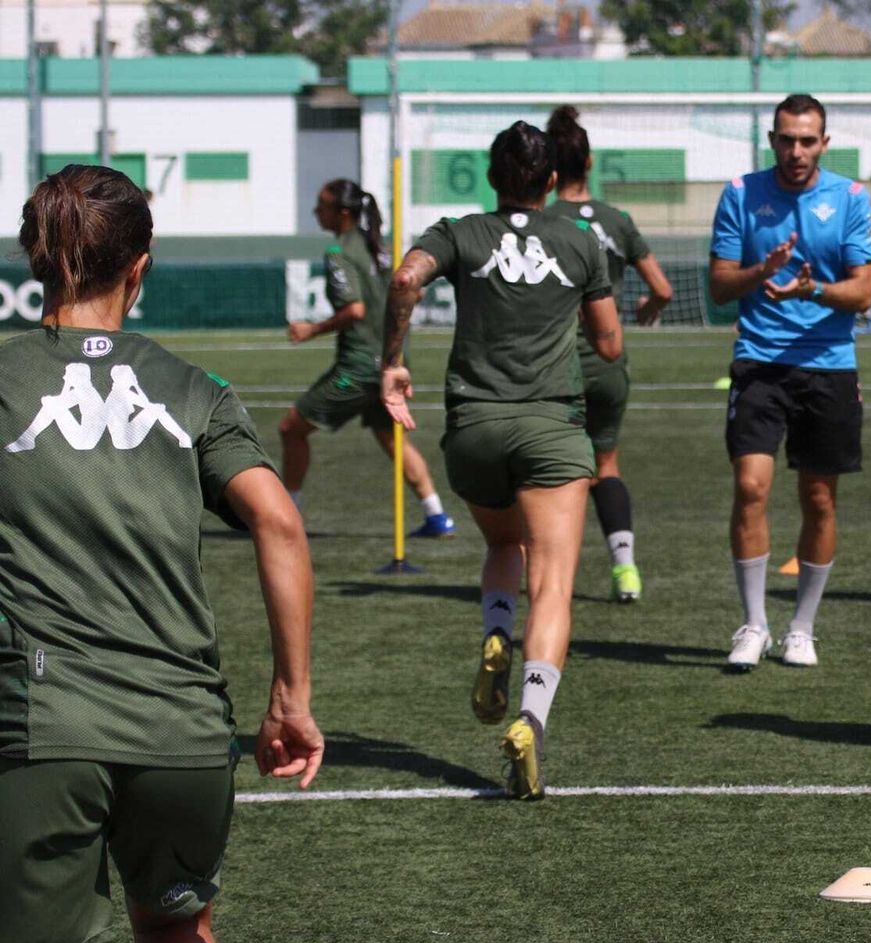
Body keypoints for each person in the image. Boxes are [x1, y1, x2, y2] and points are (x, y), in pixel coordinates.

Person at [0, 164, 323, 943]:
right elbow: (279, 523)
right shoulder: (192, 387)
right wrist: (290, 697)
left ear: (33, 258)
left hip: (43, 725)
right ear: (140, 266)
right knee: (176, 931)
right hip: (183, 725)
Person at [380, 121, 621, 801]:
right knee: (552, 584)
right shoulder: (580, 240)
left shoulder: (459, 233)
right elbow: (608, 342)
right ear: (553, 180)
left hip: (475, 429)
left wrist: (393, 362)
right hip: (551, 427)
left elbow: (405, 278)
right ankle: (530, 720)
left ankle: (495, 632)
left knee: (500, 545)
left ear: (491, 177)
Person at [708, 93, 871, 671]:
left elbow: (863, 292)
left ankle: (801, 628)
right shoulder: (740, 193)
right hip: (759, 361)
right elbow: (719, 285)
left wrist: (811, 290)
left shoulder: (851, 198)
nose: (796, 151)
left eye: (808, 140)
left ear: (824, 143)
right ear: (772, 141)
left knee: (819, 499)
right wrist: (763, 270)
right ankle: (754, 624)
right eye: (787, 139)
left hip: (829, 365)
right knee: (750, 486)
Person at [544, 105, 674, 603]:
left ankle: (552, 578)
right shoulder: (617, 220)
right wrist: (646, 308)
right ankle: (625, 570)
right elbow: (662, 288)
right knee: (606, 464)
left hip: (556, 366)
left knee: (551, 473)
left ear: (549, 169)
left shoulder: (542, 221)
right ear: (590, 162)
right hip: (608, 363)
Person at [281, 178, 456, 537]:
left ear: (342, 212)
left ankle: (287, 513)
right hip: (394, 361)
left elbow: (355, 309)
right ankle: (436, 515)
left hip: (361, 367)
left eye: (321, 206)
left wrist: (311, 329)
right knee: (391, 436)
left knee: (291, 429)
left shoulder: (340, 252)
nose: (316, 212)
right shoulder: (379, 247)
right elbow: (414, 293)